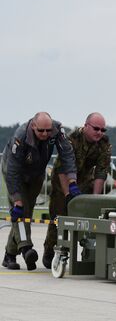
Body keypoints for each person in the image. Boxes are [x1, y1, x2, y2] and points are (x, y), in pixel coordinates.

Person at [1, 112, 79, 271]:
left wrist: (72, 181)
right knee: (21, 210)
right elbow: (13, 171)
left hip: (37, 174)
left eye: (48, 130)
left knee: (27, 212)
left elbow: (67, 154)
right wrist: (16, 199)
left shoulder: (57, 130)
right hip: (15, 173)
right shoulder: (20, 137)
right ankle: (26, 248)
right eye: (41, 131)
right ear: (33, 126)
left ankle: (9, 255)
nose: (45, 134)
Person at [42, 112, 112, 268]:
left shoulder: (104, 143)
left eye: (103, 130)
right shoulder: (71, 139)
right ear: (86, 126)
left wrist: (95, 197)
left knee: (90, 218)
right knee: (59, 216)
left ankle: (88, 250)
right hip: (63, 181)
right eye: (96, 128)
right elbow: (61, 168)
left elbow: (101, 171)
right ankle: (50, 250)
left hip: (85, 180)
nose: (100, 133)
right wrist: (67, 195)